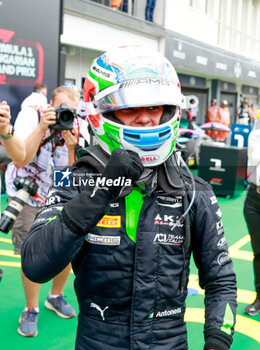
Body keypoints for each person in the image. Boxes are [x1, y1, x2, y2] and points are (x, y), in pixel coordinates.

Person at [21, 47, 237, 350]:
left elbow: (221, 279)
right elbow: (35, 265)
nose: (145, 120)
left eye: (155, 107)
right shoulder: (75, 182)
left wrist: (218, 340)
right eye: (130, 108)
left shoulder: (194, 190)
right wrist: (104, 188)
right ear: (100, 113)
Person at [5, 86, 89, 337]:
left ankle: (56, 295)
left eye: (71, 111)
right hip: (26, 191)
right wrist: (42, 128)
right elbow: (20, 159)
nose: (65, 114)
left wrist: (73, 148)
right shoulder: (32, 115)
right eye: (60, 108)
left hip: (56, 192)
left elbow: (69, 179)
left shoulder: (77, 127)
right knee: (30, 253)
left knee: (65, 247)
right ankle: (31, 309)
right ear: (50, 103)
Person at [243, 120, 260, 316]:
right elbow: (255, 158)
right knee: (259, 252)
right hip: (254, 199)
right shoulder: (256, 134)